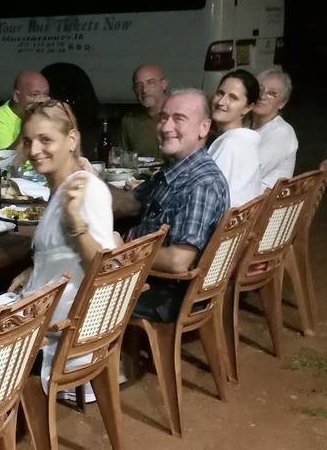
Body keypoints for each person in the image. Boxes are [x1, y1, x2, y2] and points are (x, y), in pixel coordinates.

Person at [4, 100, 116, 388]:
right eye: (28, 141)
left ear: (71, 139)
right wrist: (35, 268)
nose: (34, 151)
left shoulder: (86, 190)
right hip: (48, 310)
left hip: (56, 329)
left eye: (45, 140)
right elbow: (64, 251)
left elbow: (105, 269)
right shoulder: (66, 185)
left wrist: (76, 220)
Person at [112, 89, 230, 322]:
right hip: (149, 280)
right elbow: (127, 203)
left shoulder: (201, 184)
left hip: (167, 294)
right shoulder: (174, 169)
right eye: (163, 117)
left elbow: (178, 261)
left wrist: (122, 254)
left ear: (203, 128)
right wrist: (80, 174)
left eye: (179, 119)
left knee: (74, 294)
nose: (166, 127)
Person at [208, 69, 264, 206]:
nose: (221, 102)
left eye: (233, 98)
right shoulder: (244, 140)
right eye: (220, 93)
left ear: (247, 108)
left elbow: (208, 197)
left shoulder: (231, 144)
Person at [0, 70, 50, 151]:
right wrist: (28, 123)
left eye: (46, 94)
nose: (42, 100)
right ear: (16, 96)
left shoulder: (47, 115)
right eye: (35, 95)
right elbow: (8, 161)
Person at [252, 68, 299, 189]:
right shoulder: (247, 125)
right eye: (259, 89)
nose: (262, 96)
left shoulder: (281, 133)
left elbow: (250, 173)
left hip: (261, 205)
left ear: (282, 102)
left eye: (272, 93)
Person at [123, 64, 168, 158]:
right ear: (134, 90)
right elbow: (123, 160)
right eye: (139, 85)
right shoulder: (129, 121)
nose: (144, 90)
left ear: (163, 84)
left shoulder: (181, 114)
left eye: (150, 83)